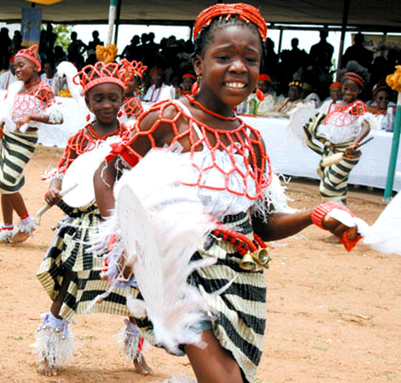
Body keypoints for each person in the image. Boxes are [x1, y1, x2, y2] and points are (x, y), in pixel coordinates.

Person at [93, 5, 362, 382]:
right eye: (224, 57)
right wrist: (123, 240)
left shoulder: (252, 141)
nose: (238, 67)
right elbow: (108, 172)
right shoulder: (170, 119)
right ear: (199, 65)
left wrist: (316, 215)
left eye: (249, 59)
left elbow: (262, 225)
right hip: (182, 268)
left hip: (240, 278)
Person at [35, 60, 151, 377]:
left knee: (137, 286)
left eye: (113, 98)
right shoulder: (79, 139)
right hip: (83, 221)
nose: (107, 104)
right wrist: (54, 189)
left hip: (122, 220)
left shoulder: (131, 137)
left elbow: (143, 175)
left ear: (123, 100)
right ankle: (49, 351)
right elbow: (61, 171)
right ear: (86, 102)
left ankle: (137, 352)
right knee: (71, 280)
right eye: (98, 99)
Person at [0, 45, 63, 243]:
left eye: (22, 65)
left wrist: (31, 116)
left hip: (25, 140)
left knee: (6, 180)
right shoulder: (16, 88)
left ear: (36, 66)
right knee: (3, 183)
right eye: (15, 67)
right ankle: (6, 227)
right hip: (6, 137)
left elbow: (58, 116)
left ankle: (26, 221)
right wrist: (0, 127)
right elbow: (7, 113)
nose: (17, 70)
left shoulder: (44, 89)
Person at [303, 61, 374, 204]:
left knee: (328, 187)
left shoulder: (358, 106)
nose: (348, 92)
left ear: (359, 91)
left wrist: (355, 143)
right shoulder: (336, 106)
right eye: (345, 88)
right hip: (332, 151)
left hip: (348, 152)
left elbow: (366, 126)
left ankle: (338, 214)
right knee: (338, 187)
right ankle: (343, 215)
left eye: (353, 90)